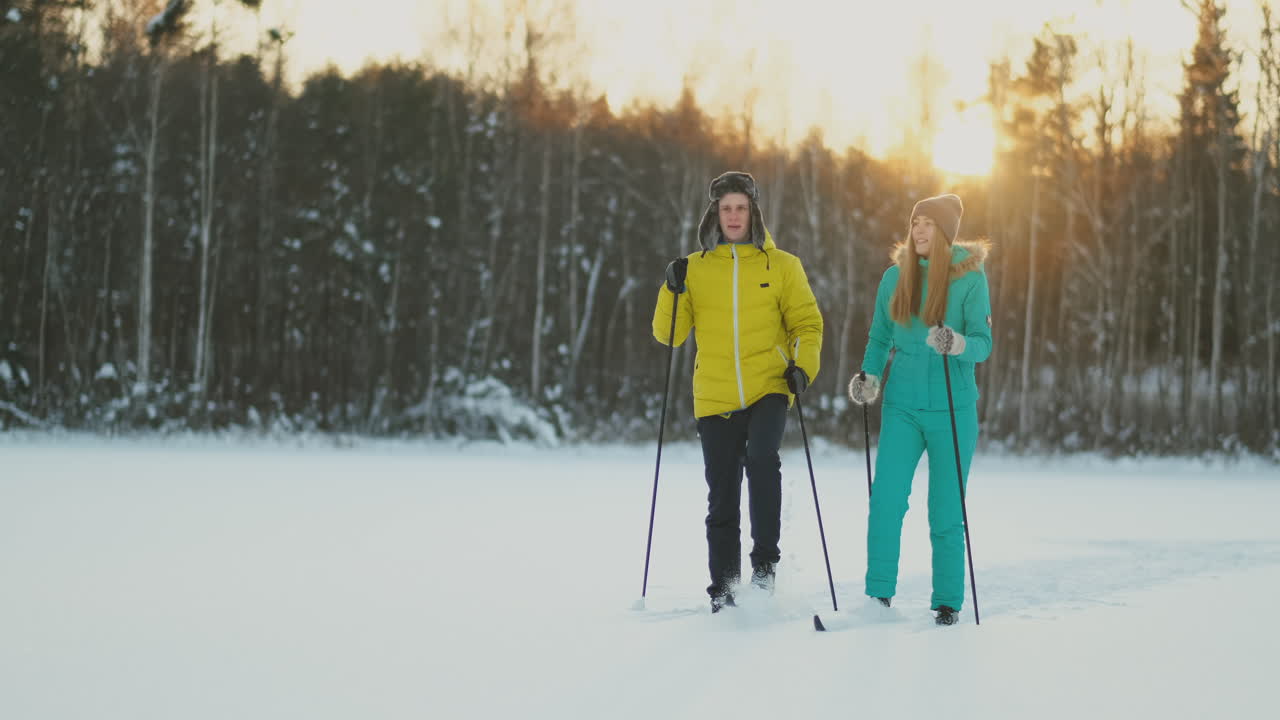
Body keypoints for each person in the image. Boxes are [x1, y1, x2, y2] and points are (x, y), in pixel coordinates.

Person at [652, 171, 824, 613]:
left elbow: (806, 324)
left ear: (754, 213)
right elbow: (668, 334)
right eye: (725, 208)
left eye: (740, 208)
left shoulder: (782, 265)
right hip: (714, 395)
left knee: (763, 460)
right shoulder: (695, 268)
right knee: (722, 494)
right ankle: (724, 589)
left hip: (769, 385)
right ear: (715, 213)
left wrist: (802, 368)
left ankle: (764, 567)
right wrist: (671, 289)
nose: (733, 216)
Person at [846, 193, 992, 626]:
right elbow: (878, 338)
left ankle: (947, 602)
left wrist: (958, 344)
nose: (920, 231)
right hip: (903, 406)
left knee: (946, 510)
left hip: (953, 407)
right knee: (886, 501)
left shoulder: (969, 279)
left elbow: (984, 346)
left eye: (929, 223)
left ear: (946, 232)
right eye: (915, 223)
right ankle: (878, 597)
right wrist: (869, 378)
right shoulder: (894, 278)